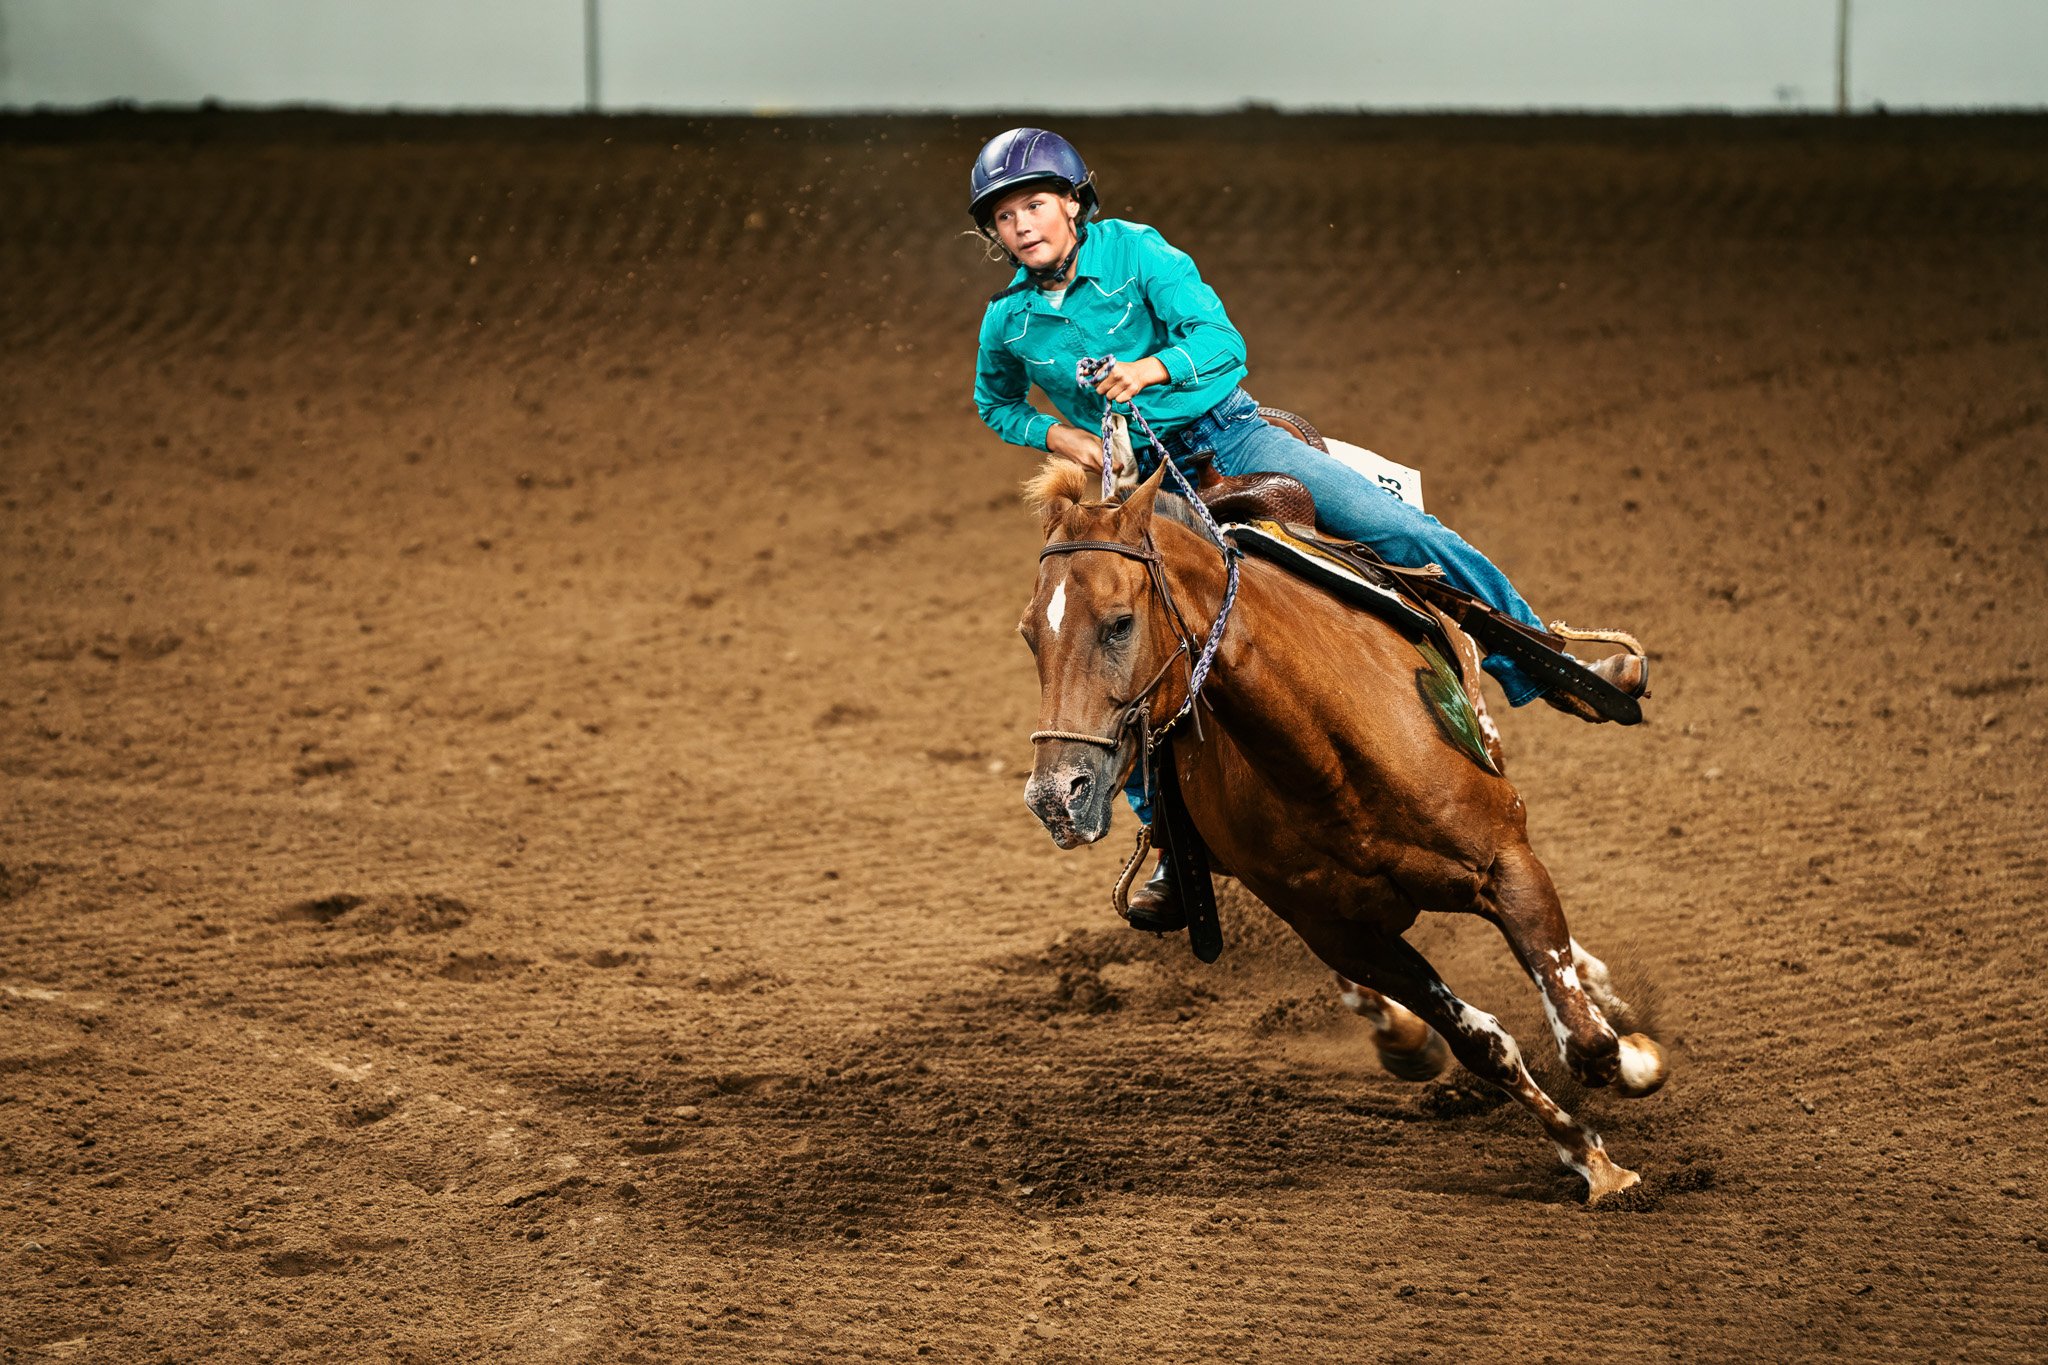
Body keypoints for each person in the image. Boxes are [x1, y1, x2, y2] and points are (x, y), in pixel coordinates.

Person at [970, 128, 1645, 927]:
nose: (1023, 224)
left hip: (1228, 436)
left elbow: (1223, 345)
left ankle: (1545, 660)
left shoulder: (1139, 254)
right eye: (1005, 215)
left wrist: (1151, 370)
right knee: (1119, 646)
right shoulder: (1008, 323)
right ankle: (1168, 845)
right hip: (1133, 482)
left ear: (1074, 203)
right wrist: (1060, 436)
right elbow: (995, 401)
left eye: (1036, 204)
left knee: (1403, 532)